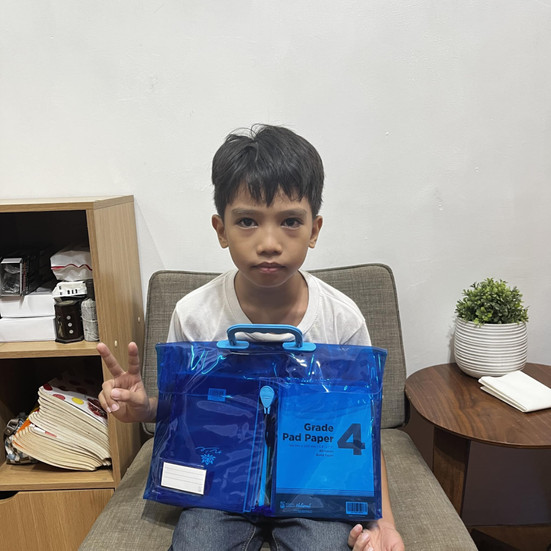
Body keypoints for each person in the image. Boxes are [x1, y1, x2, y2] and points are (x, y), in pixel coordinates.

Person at [98, 124, 405, 551]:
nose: (269, 243)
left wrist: (384, 523)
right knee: (196, 544)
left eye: (290, 221)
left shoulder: (341, 319)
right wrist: (143, 408)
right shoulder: (194, 314)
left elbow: (360, 429)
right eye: (247, 221)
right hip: (220, 483)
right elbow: (183, 414)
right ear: (221, 229)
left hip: (311, 483)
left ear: (314, 229)